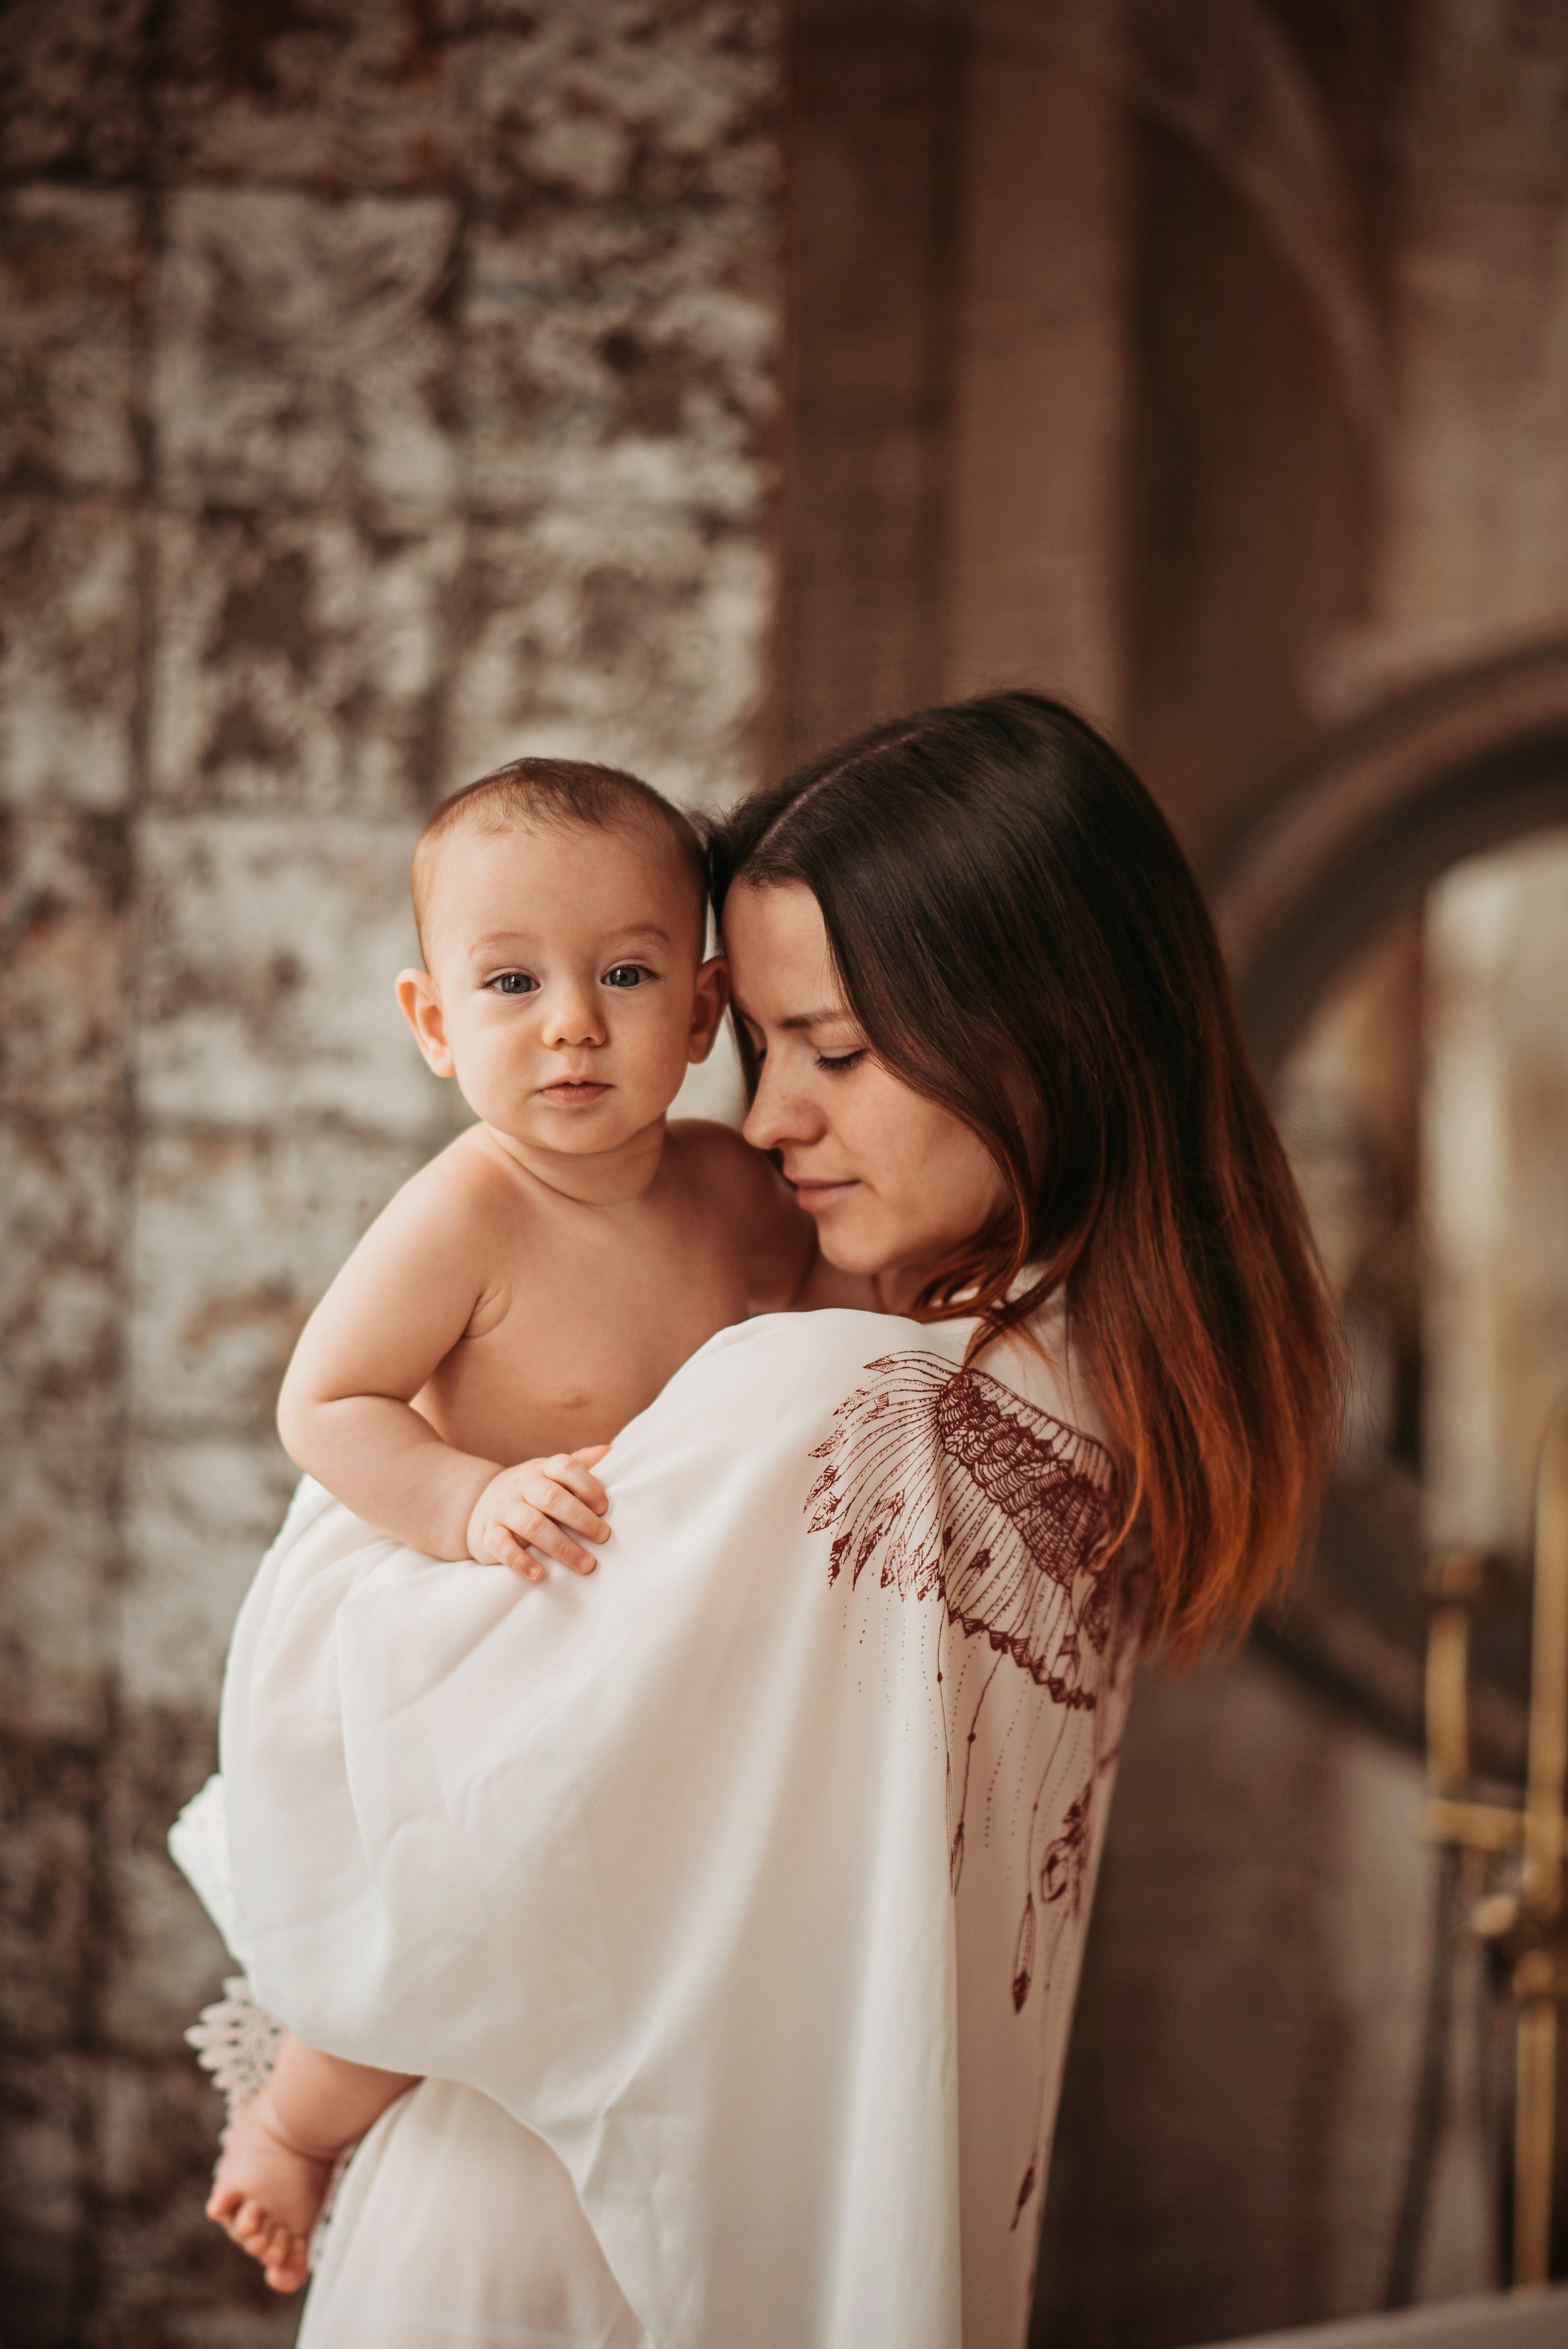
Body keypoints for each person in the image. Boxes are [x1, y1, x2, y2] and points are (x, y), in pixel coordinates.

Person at [183, 692, 1339, 2348]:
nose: (773, 1119)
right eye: (771, 1051)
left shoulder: (832, 1409)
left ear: (1049, 1031)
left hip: (593, 2231)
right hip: (731, 2211)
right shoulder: (1093, 1397)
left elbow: (460, 1821)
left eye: (840, 1052)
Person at [204, 752, 863, 2290]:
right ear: (436, 1025)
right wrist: (468, 1497)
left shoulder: (726, 1181)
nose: (571, 1021)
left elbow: (827, 1307)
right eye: (510, 981)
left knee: (614, 1893)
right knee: (464, 1906)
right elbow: (330, 1404)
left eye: (624, 973)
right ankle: (299, 2122)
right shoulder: (471, 1209)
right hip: (467, 1598)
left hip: (619, 1618)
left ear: (704, 1016)